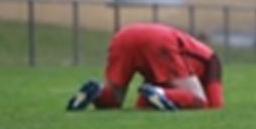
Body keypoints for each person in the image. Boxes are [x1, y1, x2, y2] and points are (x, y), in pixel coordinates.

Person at [66, 22, 224, 111]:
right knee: (200, 101)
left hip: (123, 36)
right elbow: (215, 105)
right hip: (160, 41)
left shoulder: (191, 50)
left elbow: (143, 101)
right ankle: (161, 93)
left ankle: (97, 92)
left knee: (113, 101)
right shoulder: (212, 61)